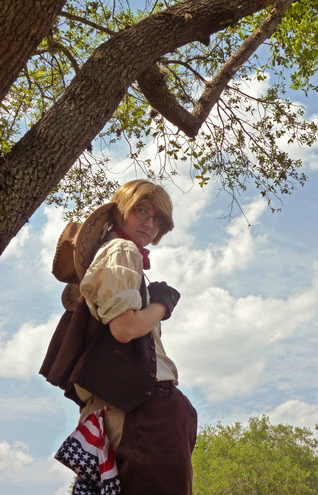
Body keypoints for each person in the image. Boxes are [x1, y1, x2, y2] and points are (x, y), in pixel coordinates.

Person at [40, 179, 197, 495]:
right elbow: (125, 329)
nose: (149, 224)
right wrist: (162, 304)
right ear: (120, 211)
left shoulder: (110, 256)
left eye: (158, 219)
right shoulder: (122, 250)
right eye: (141, 211)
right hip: (144, 409)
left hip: (125, 409)